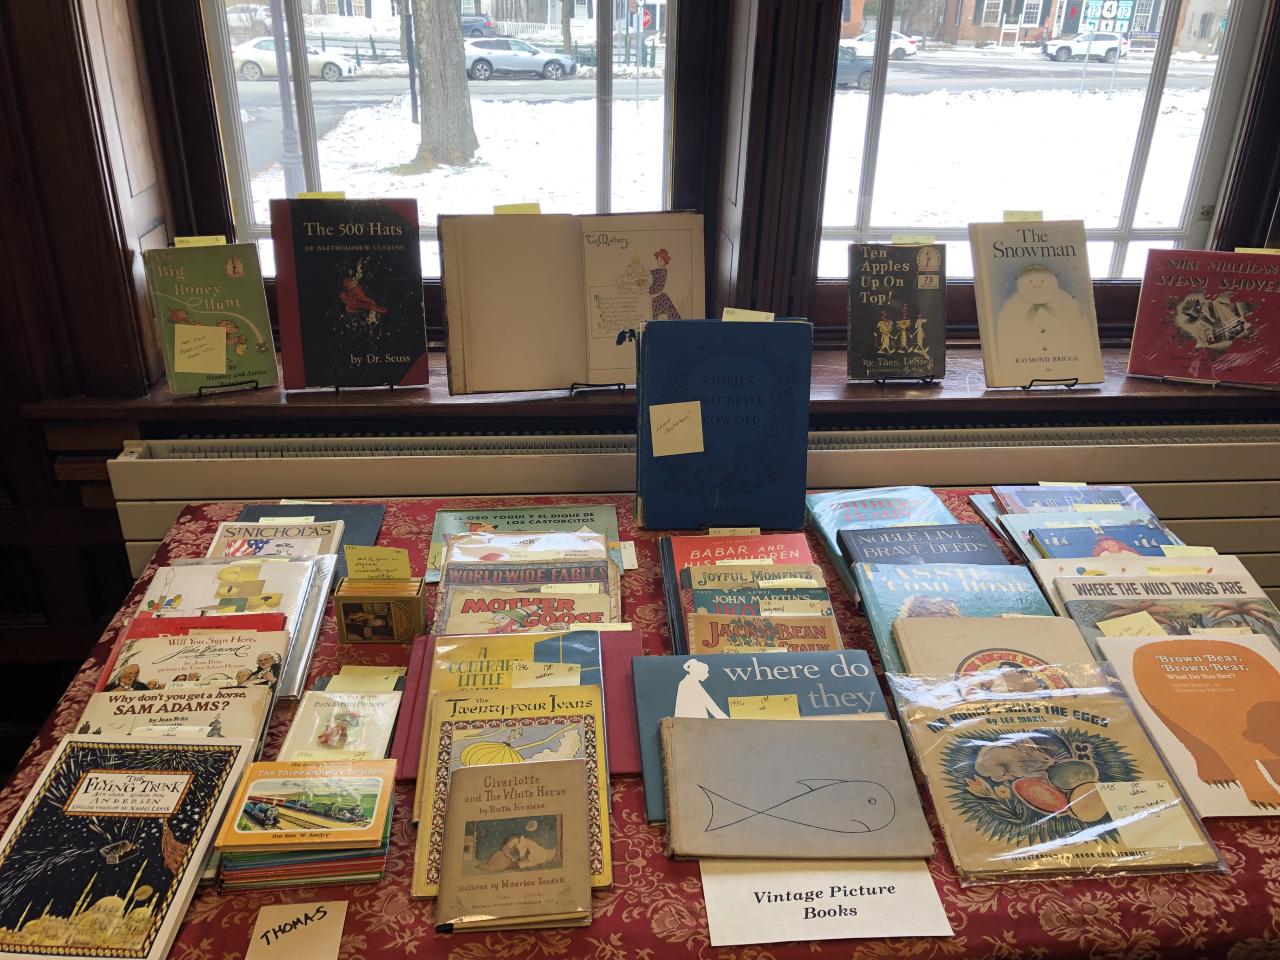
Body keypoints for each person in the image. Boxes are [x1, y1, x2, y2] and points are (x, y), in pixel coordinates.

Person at [649, 249, 682, 320]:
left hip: (660, 299)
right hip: (656, 298)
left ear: (665, 262)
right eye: (658, 260)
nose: (658, 262)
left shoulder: (662, 271)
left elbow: (652, 274)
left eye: (660, 261)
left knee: (665, 319)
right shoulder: (657, 271)